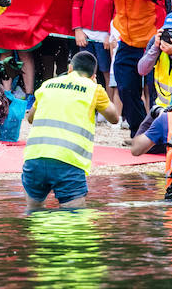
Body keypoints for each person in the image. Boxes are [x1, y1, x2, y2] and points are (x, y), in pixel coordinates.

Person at [22, 51, 120, 211]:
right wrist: (93, 85)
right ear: (93, 75)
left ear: (70, 68)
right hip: (68, 160)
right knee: (74, 218)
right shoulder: (93, 88)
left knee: (34, 213)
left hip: (34, 158)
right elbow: (114, 117)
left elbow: (31, 118)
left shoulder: (47, 85)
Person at [90, 0, 167, 140]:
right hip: (127, 41)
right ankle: (139, 134)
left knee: (156, 92)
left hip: (154, 43)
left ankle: (159, 135)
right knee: (125, 88)